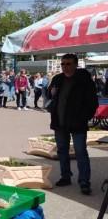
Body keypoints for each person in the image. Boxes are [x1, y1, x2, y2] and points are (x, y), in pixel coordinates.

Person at [47, 54, 97, 195]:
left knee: (80, 152)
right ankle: (65, 176)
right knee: (62, 151)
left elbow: (93, 103)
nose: (65, 67)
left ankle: (84, 182)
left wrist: (84, 118)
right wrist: (51, 93)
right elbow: (49, 95)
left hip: (78, 124)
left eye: (68, 64)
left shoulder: (84, 80)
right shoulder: (58, 78)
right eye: (63, 64)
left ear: (76, 64)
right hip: (60, 122)